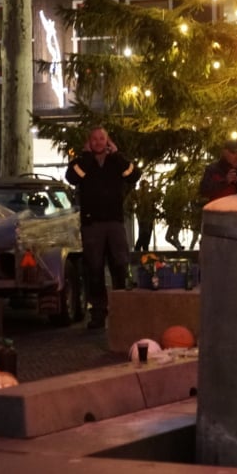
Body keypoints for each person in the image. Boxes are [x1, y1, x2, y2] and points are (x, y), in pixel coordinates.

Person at [65, 127, 141, 330]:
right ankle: (98, 314)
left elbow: (133, 175)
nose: (99, 142)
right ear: (89, 142)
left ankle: (121, 310)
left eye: (102, 138)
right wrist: (87, 157)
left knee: (120, 266)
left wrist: (118, 156)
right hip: (92, 225)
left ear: (108, 141)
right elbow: (72, 178)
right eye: (95, 139)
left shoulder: (116, 162)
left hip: (114, 223)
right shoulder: (81, 163)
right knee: (94, 270)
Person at [200, 139, 237, 204]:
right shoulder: (213, 169)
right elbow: (204, 191)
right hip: (218, 212)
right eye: (233, 153)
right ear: (224, 153)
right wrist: (225, 181)